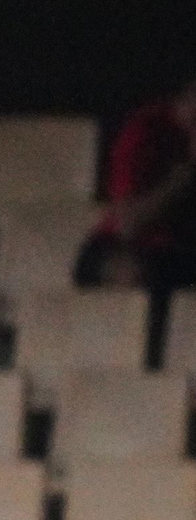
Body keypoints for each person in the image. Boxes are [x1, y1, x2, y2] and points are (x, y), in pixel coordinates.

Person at [75, 76, 196, 366]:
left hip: (176, 253)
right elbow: (129, 222)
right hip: (121, 246)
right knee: (132, 275)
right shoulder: (147, 131)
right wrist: (186, 175)